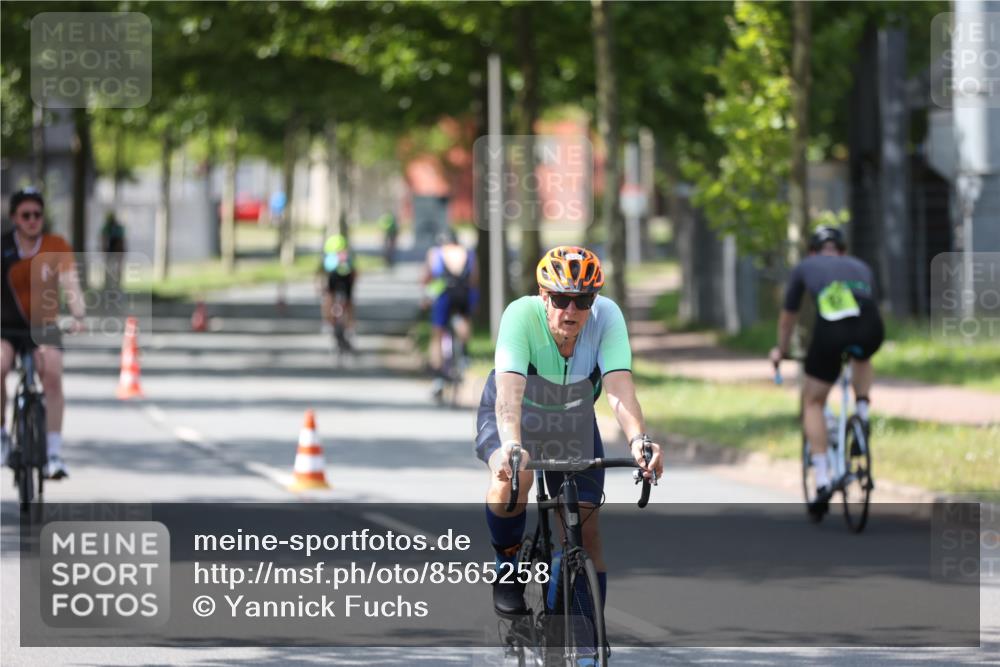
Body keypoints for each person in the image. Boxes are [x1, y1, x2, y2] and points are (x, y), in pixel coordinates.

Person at [475, 245, 663, 616]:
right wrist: (512, 444)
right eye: (561, 299)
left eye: (583, 299)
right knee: (513, 478)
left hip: (572, 417)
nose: (572, 310)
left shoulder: (607, 317)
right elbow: (509, 395)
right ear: (544, 295)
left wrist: (639, 439)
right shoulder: (520, 316)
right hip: (515, 414)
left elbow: (620, 389)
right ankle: (507, 564)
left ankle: (586, 643)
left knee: (586, 528)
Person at [769, 226, 884, 516]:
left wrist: (781, 351)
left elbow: (787, 320)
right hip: (871, 326)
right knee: (862, 354)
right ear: (842, 251)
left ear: (812, 251)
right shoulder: (860, 265)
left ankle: (821, 479)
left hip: (832, 330)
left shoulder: (805, 266)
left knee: (813, 401)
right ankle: (862, 412)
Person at [1, 188, 86, 478]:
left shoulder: (56, 245)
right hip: (6, 327)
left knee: (52, 374)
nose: (33, 220)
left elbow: (70, 284)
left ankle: (53, 454)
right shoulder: (2, 247)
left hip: (43, 326)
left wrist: (78, 315)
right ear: (15, 218)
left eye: (37, 214)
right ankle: (2, 436)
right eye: (26, 215)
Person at [422, 229, 478, 399]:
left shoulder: (436, 252)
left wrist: (426, 297)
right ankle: (464, 355)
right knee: (464, 321)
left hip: (444, 295)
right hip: (463, 294)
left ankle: (438, 375)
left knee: (437, 334)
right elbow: (474, 279)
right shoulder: (468, 253)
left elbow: (427, 277)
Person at [319, 233, 357, 340]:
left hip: (333, 278)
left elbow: (322, 272)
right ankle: (351, 326)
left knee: (328, 297)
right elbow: (354, 271)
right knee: (349, 301)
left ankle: (327, 322)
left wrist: (320, 287)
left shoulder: (328, 255)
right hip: (347, 279)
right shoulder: (347, 255)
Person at [100, 211, 126, 294]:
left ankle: (115, 285)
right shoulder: (111, 228)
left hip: (114, 251)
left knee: (114, 268)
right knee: (111, 268)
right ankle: (112, 285)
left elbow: (120, 241)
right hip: (113, 251)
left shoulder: (111, 228)